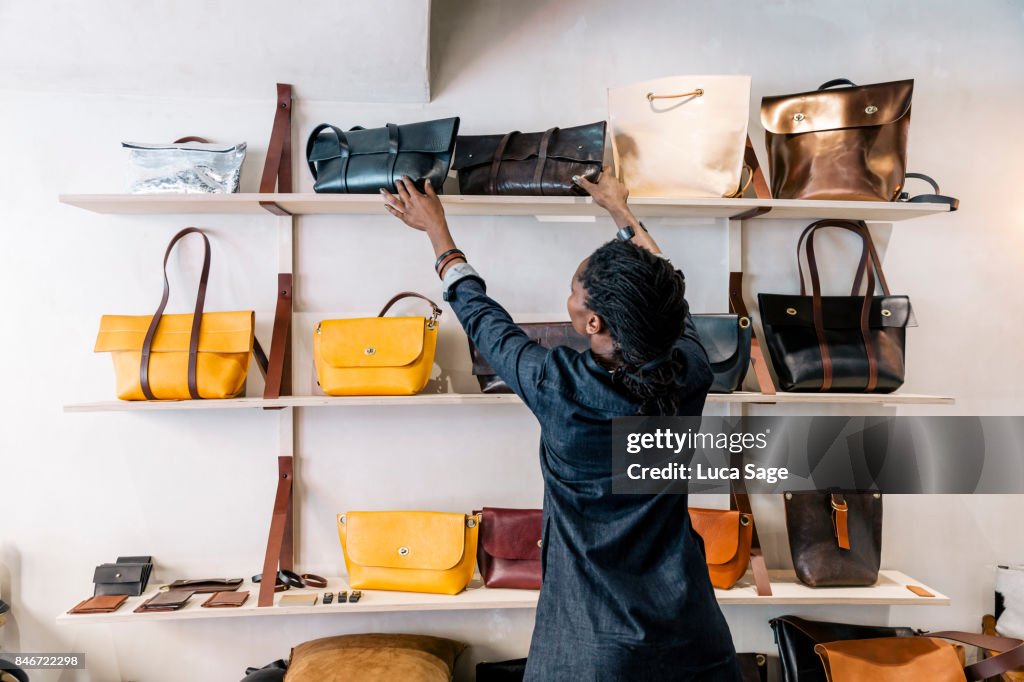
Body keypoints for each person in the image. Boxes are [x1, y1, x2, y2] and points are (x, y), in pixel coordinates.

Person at [381, 172, 740, 681]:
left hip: (591, 649)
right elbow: (665, 293)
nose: (569, 295)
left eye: (575, 290)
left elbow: (488, 325)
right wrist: (621, 211)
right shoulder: (691, 370)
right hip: (692, 638)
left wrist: (439, 236)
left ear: (593, 324)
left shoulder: (560, 387)